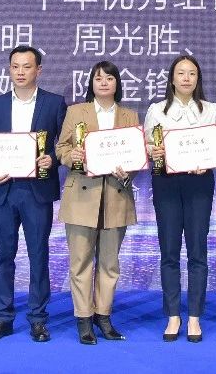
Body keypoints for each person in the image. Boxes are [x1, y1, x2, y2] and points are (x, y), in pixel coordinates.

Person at [0, 45, 65, 343]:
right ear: (9, 69)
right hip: (3, 189)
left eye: (27, 67)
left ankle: (38, 318)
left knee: (38, 255)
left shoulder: (54, 103)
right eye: (15, 66)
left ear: (38, 70)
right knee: (3, 256)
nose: (20, 72)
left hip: (36, 191)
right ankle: (3, 317)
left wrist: (51, 158)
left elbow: (63, 144)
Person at [56, 60, 139, 345]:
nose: (104, 83)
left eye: (109, 78)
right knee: (80, 262)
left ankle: (103, 316)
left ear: (117, 83)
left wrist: (129, 170)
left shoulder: (129, 115)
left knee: (109, 263)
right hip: (82, 195)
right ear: (91, 83)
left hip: (116, 195)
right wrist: (72, 157)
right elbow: (61, 147)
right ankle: (83, 318)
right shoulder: (76, 111)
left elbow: (136, 154)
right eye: (98, 78)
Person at [144, 55, 216, 343]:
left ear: (198, 78)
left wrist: (209, 162)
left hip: (199, 184)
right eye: (181, 73)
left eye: (192, 73)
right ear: (172, 78)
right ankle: (173, 315)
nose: (186, 78)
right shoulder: (156, 110)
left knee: (197, 251)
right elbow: (147, 146)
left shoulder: (211, 110)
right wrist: (153, 151)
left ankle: (195, 316)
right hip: (166, 183)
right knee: (169, 251)